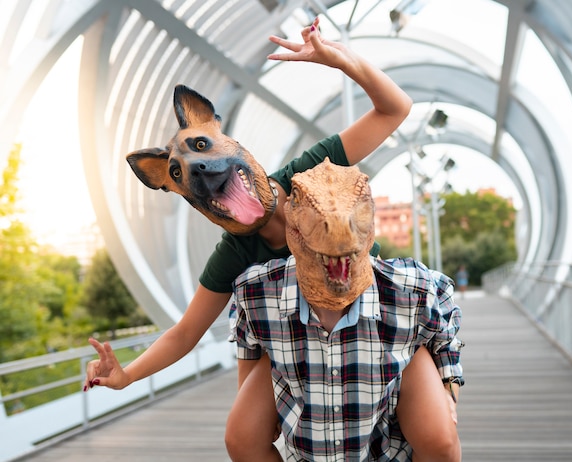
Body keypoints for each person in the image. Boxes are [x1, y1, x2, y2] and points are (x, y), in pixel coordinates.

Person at [84, 18, 458, 460]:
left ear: (220, 131)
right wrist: (126, 375)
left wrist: (342, 61)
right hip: (298, 343)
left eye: (201, 147)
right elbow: (185, 333)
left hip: (374, 327)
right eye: (181, 173)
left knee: (438, 437)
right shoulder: (237, 255)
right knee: (241, 436)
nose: (198, 168)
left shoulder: (310, 171)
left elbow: (394, 108)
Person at [230, 160, 463, 461]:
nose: (337, 223)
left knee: (441, 441)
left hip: (385, 423)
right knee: (240, 435)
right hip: (304, 405)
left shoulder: (412, 287)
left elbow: (443, 330)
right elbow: (247, 342)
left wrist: (449, 388)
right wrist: (251, 405)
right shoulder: (257, 290)